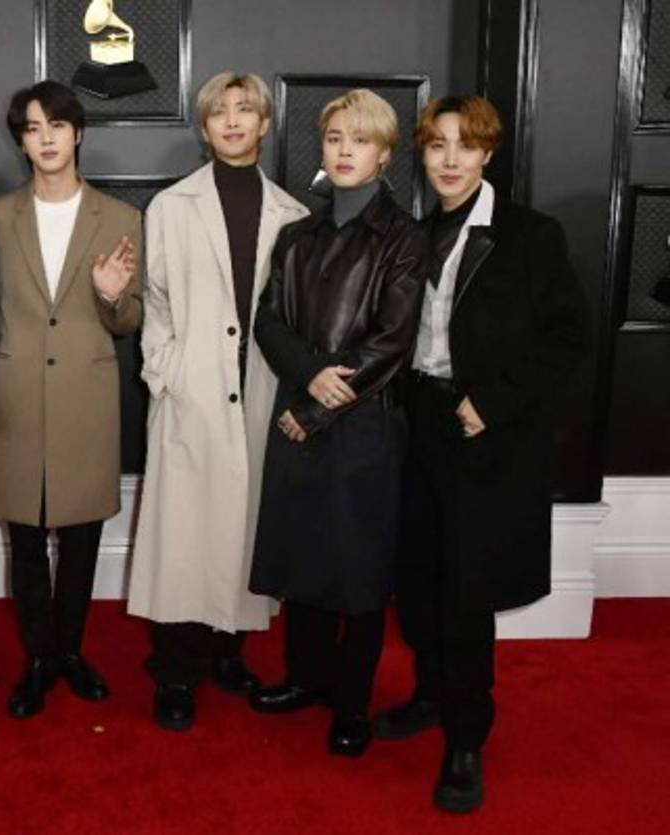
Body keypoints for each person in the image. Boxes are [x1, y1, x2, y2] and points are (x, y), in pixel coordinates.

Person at [372, 95, 589, 813]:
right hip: (417, 425)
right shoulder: (414, 233)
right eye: (437, 146)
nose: (452, 160)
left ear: (489, 153)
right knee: (421, 577)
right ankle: (431, 697)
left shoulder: (530, 235)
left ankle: (467, 740)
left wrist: (491, 401)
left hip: (482, 430)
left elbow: (565, 340)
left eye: (467, 146)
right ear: (423, 154)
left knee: (468, 593)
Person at [248, 90, 430, 758]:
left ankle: (351, 702)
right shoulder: (297, 234)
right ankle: (305, 678)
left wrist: (323, 401)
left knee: (357, 575)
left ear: (384, 153)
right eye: (333, 138)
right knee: (303, 559)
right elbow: (268, 319)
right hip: (299, 412)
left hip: (363, 427)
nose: (344, 150)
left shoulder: (404, 237)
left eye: (360, 139)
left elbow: (392, 341)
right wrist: (308, 381)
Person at [126, 71, 309, 731]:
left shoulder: (294, 214)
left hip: (259, 392)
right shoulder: (172, 206)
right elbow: (157, 302)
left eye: (246, 110)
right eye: (220, 112)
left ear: (264, 124)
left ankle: (229, 650)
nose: (233, 121)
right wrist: (166, 372)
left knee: (244, 529)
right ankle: (175, 669)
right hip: (191, 388)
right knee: (184, 533)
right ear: (204, 128)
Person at [0, 80, 142, 719]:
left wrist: (107, 295)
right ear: (21, 140)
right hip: (11, 395)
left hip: (86, 397)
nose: (45, 138)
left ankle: (70, 653)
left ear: (77, 134)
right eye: (32, 128)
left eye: (56, 126)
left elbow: (129, 321)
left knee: (79, 540)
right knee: (24, 539)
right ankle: (38, 660)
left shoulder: (122, 218)